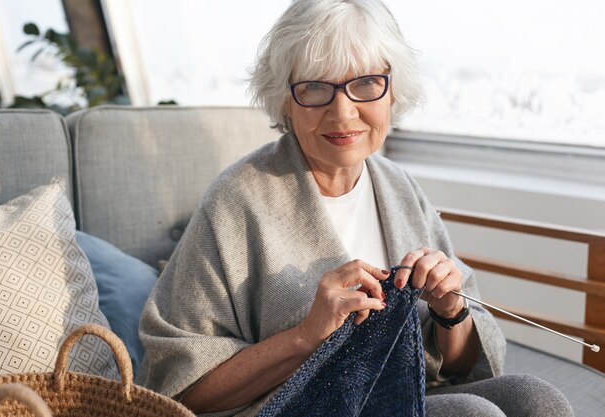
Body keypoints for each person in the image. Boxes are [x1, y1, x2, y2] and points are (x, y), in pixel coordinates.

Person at [136, 1, 574, 416]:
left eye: (365, 84)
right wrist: (307, 336)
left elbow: (461, 366)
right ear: (286, 100)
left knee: (536, 399)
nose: (343, 113)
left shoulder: (400, 188)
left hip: (402, 393)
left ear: (391, 91)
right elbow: (179, 387)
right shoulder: (235, 201)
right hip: (293, 407)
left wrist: (449, 311)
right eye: (314, 88)